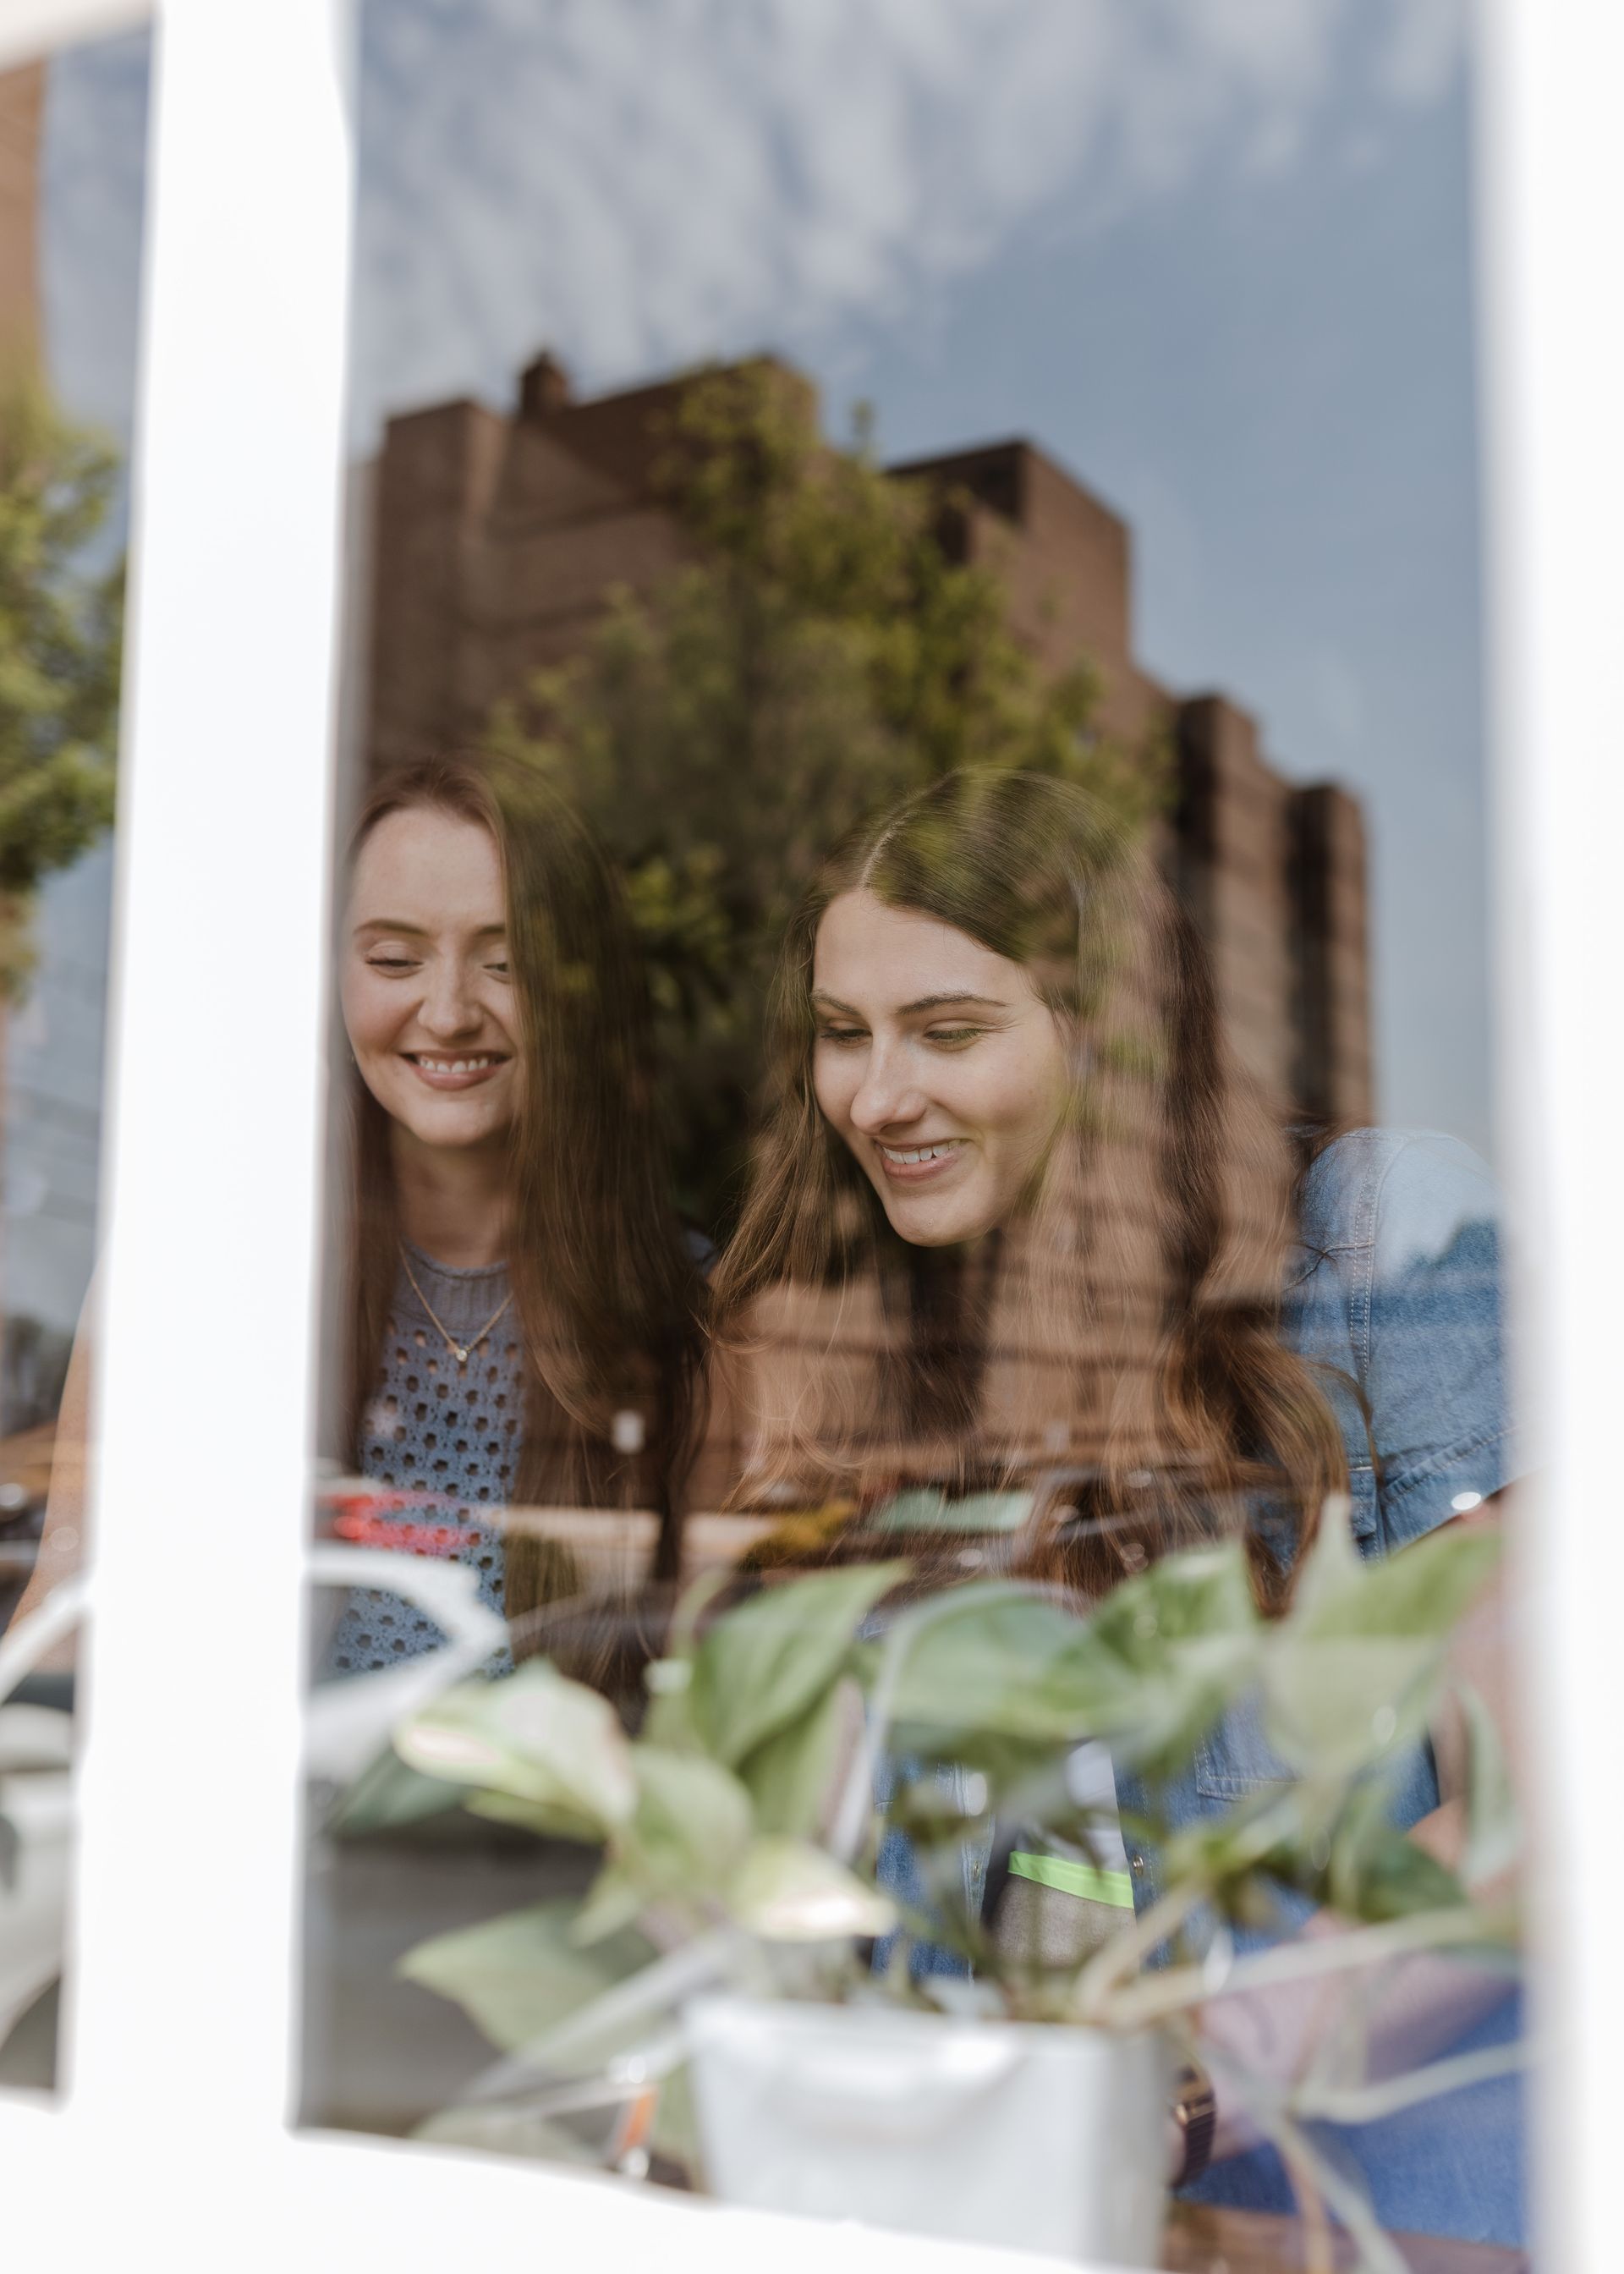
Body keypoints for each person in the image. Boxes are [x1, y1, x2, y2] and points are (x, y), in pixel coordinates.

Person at [711, 766, 1525, 2248]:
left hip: (1368, 2213)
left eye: (948, 1030)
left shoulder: (1375, 1240)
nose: (878, 1096)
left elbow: (1551, 1798)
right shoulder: (896, 1352)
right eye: (843, 1036)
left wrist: (1203, 2077)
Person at [17, 754, 707, 1675]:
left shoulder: (688, 1303)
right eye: (394, 958)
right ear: (331, 976)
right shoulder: (204, 1263)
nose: (450, 1011)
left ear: (581, 995)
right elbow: (76, 1606)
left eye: (506, 963)